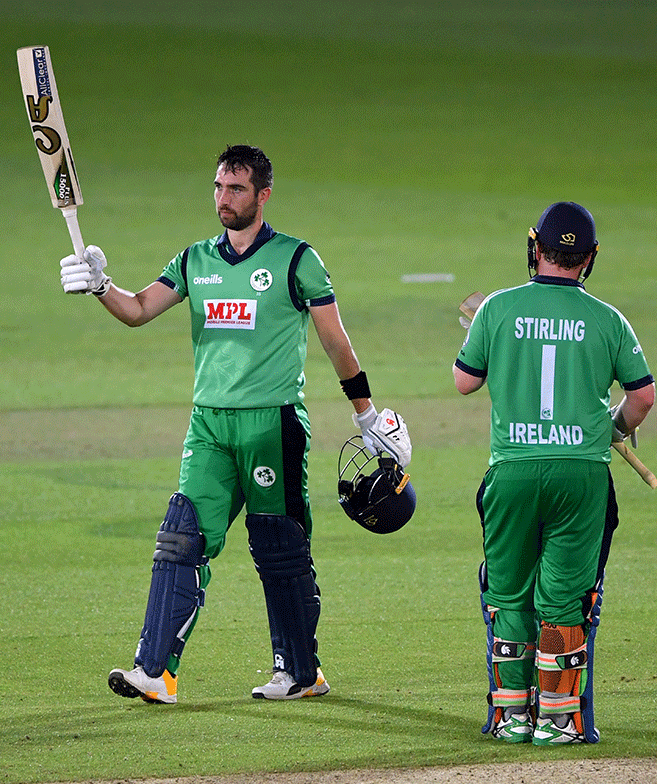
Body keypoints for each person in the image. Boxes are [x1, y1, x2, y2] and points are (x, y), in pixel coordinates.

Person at [57, 144, 411, 705]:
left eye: (237, 189)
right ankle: (155, 671)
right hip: (209, 425)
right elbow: (139, 309)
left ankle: (300, 672)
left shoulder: (297, 260)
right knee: (180, 539)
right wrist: (102, 286)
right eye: (220, 187)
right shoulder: (195, 259)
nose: (225, 198)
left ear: (263, 195)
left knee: (280, 549)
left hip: (273, 424)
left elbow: (334, 339)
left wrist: (365, 411)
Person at [452, 201, 654, 744]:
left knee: (509, 594)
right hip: (581, 473)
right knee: (562, 599)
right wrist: (611, 426)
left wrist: (489, 344)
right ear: (588, 259)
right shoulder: (609, 320)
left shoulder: (497, 308)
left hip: (513, 470)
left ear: (534, 246)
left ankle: (513, 715)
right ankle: (559, 720)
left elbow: (464, 382)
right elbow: (643, 397)